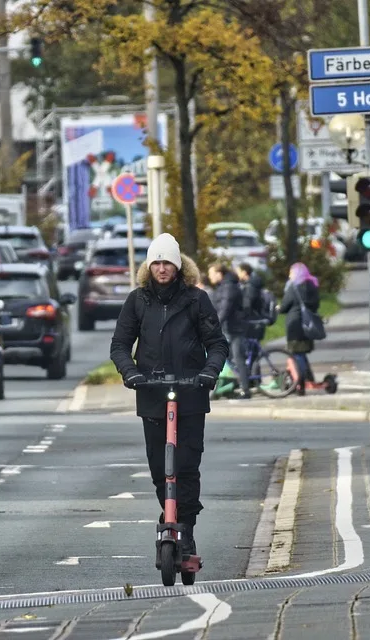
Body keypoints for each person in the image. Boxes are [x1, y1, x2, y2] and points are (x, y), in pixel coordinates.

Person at [110, 232, 228, 559]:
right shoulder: (137, 301)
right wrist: (131, 373)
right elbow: (120, 345)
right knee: (159, 467)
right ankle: (169, 515)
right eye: (156, 263)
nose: (162, 269)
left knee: (187, 464)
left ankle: (185, 529)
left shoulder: (195, 299)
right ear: (150, 266)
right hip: (151, 393)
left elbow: (217, 344)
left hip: (190, 393)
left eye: (167, 263)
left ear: (177, 266)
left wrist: (208, 372)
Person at [207, 263, 251, 399]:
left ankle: (246, 390)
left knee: (238, 358)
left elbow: (225, 308)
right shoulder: (223, 286)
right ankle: (232, 385)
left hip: (235, 328)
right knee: (227, 358)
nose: (210, 277)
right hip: (228, 328)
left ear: (219, 274)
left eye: (212, 274)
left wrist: (215, 325)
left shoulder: (229, 287)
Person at [278, 262, 320, 395]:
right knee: (302, 354)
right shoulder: (312, 285)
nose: (289, 275)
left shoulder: (293, 287)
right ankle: (309, 379)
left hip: (295, 324)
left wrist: (278, 308)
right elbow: (316, 304)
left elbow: (284, 307)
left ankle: (300, 384)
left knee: (297, 355)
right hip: (308, 324)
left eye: (291, 272)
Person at [238, 263, 266, 340]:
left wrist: (240, 316)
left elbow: (247, 303)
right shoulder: (252, 284)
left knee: (248, 347)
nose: (237, 274)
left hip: (251, 320)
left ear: (244, 272)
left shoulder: (251, 286)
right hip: (255, 319)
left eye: (238, 272)